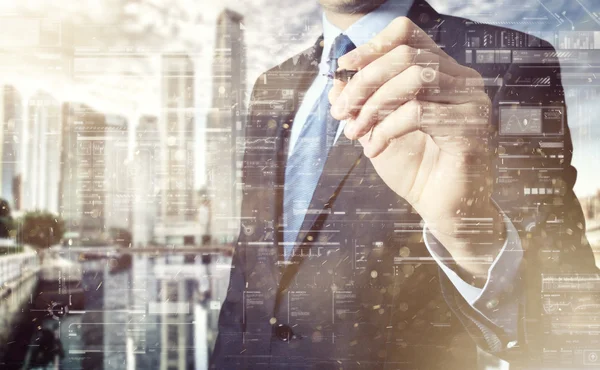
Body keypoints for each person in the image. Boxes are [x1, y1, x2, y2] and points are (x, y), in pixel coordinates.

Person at [211, 0, 598, 369]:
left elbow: (570, 319)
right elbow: (248, 265)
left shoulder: (511, 60)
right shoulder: (271, 85)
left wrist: (468, 233)